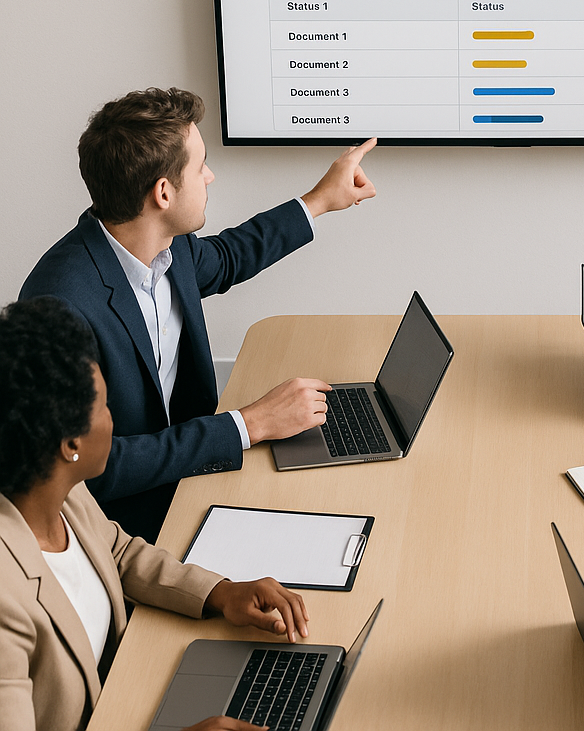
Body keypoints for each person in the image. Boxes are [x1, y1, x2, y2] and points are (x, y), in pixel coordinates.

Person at [20, 87, 376, 542]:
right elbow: (88, 469)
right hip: (123, 526)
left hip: (193, 469)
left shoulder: (169, 247)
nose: (210, 177)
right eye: (200, 166)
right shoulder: (59, 306)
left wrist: (320, 200)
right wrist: (250, 424)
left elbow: (228, 257)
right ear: (164, 193)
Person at [0, 296, 311, 731]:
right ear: (70, 445)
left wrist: (221, 593)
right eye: (103, 407)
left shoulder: (54, 489)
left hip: (128, 691)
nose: (113, 419)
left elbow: (119, 552)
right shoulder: (5, 601)